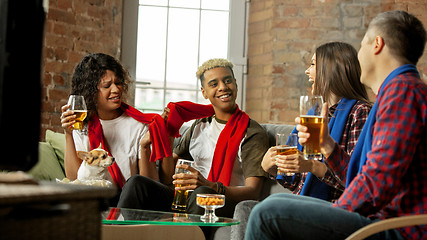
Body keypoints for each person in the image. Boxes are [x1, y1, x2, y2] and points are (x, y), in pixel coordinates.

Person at [246, 10, 427, 240]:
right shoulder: (397, 92)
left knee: (267, 213)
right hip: (384, 219)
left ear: (377, 44)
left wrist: (333, 212)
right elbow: (362, 176)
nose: (358, 56)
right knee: (276, 201)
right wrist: (327, 145)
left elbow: (376, 183)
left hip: (397, 228)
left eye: (362, 46)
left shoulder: (402, 92)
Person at [117, 58, 270, 219]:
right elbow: (168, 178)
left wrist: (210, 185)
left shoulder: (251, 132)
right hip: (187, 198)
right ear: (204, 92)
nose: (223, 87)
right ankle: (118, 233)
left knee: (202, 194)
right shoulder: (199, 125)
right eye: (214, 84)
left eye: (227, 81)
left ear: (236, 85)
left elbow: (253, 191)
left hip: (221, 201)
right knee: (136, 183)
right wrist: (169, 133)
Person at [262, 41, 371, 202]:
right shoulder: (314, 115)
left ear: (331, 69)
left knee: (266, 206)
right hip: (305, 203)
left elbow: (358, 182)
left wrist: (312, 166)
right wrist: (271, 168)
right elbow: (299, 183)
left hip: (337, 207)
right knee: (246, 207)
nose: (307, 71)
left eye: (313, 64)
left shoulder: (360, 112)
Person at [60, 53, 171, 205]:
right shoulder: (81, 125)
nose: (116, 90)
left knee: (134, 182)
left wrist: (144, 147)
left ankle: (118, 225)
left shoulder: (137, 124)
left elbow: (148, 184)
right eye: (107, 86)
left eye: (118, 83)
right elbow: (74, 179)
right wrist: (68, 133)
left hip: (128, 199)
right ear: (90, 91)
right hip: (96, 199)